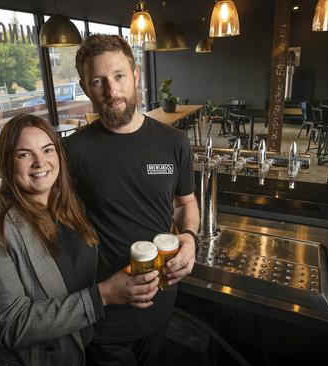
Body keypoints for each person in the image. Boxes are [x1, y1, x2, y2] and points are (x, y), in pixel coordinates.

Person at [0, 113, 160, 366]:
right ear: (6, 161)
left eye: (47, 150)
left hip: (80, 347)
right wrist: (104, 295)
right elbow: (12, 325)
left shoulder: (69, 204)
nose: (39, 162)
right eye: (24, 154)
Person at [65, 34, 200, 366]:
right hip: (104, 317)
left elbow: (186, 203)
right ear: (85, 88)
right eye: (98, 81)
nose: (112, 91)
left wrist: (190, 238)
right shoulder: (72, 151)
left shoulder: (174, 142)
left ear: (135, 75)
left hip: (161, 303)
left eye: (119, 76)